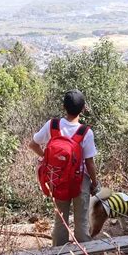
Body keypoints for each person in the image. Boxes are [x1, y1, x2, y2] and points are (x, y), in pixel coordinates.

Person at [29, 89, 100, 246]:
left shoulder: (52, 125)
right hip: (80, 181)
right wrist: (95, 183)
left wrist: (44, 158)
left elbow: (33, 144)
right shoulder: (85, 132)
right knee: (81, 222)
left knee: (60, 220)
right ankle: (83, 252)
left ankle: (58, 252)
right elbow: (89, 163)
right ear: (83, 108)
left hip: (58, 179)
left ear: (63, 106)